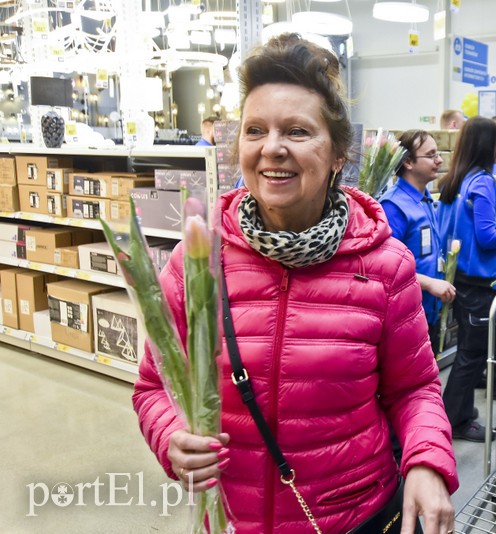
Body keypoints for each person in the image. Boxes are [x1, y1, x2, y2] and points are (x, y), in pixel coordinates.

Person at [132, 34, 458, 534]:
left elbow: (413, 388)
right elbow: (155, 385)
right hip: (232, 520)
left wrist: (426, 461)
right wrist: (171, 435)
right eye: (255, 130)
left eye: (298, 131)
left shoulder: (385, 265)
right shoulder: (197, 261)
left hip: (351, 517)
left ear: (337, 156)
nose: (272, 148)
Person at [437, 116, 496, 442]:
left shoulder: (455, 179)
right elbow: (487, 237)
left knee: (467, 352)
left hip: (461, 277)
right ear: (487, 144)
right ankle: (456, 420)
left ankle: (461, 409)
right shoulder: (483, 183)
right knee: (471, 355)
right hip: (479, 281)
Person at [380, 129, 456, 350]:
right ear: (408, 162)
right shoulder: (393, 206)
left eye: (438, 153)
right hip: (405, 316)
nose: (439, 160)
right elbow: (387, 269)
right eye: (431, 155)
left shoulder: (425, 200)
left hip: (428, 310)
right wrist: (430, 283)